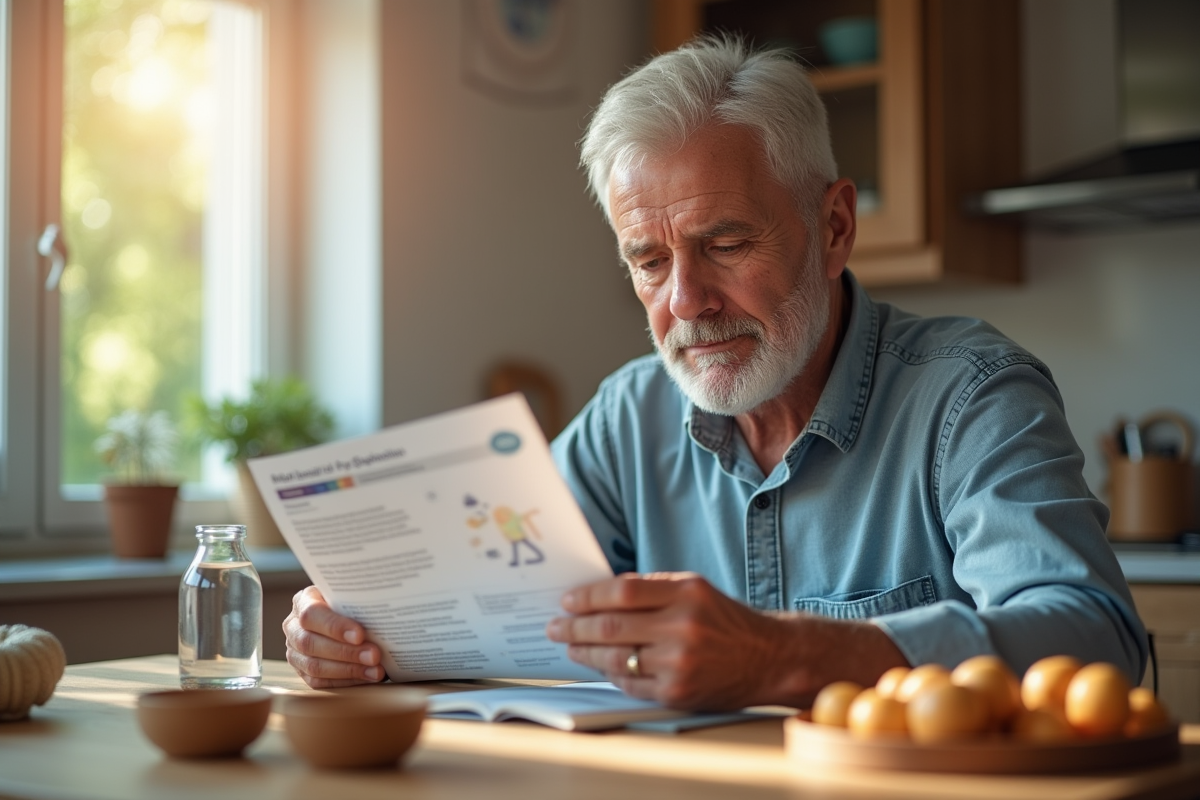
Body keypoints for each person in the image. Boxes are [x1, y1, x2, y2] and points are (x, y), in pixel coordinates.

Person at [282, 36, 1147, 709]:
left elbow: (1098, 639)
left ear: (835, 227)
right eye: (648, 261)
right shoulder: (630, 416)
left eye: (725, 244)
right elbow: (494, 609)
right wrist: (359, 634)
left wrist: (784, 656)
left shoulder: (970, 395)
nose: (687, 301)